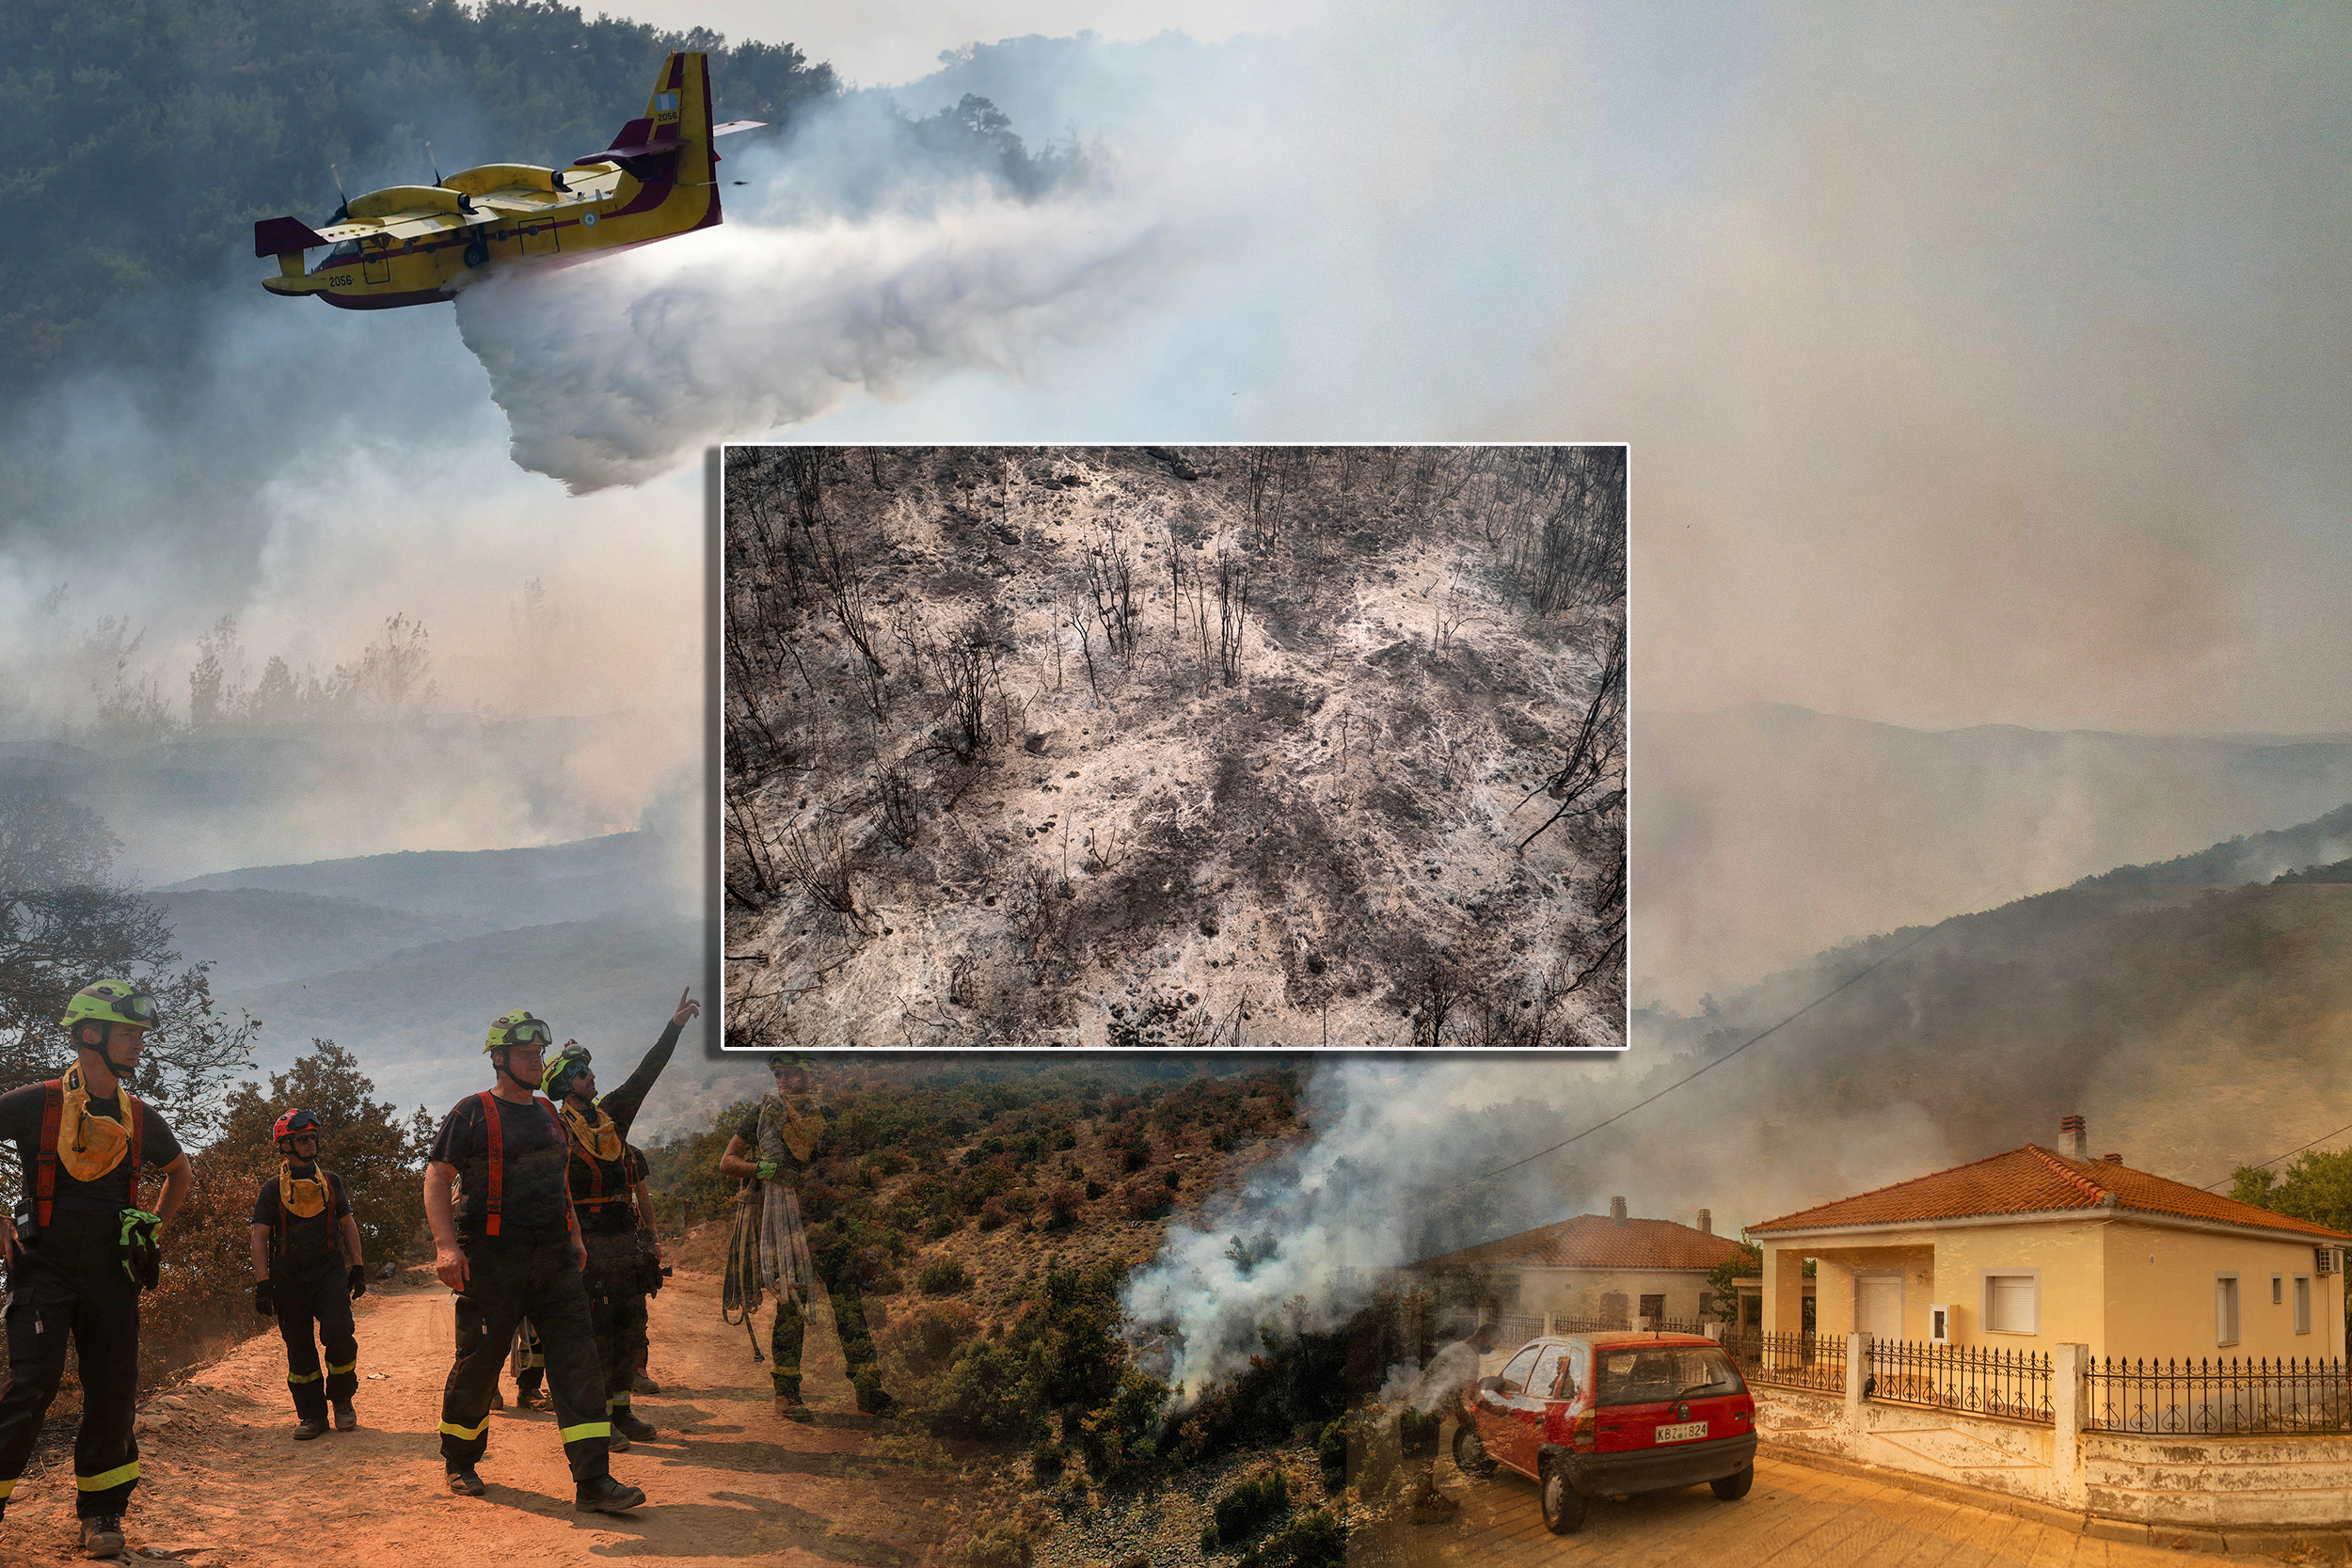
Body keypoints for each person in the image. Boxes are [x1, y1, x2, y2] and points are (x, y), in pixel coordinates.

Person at [0, 979, 193, 1559]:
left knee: (113, 1391)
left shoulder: (140, 1115)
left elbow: (180, 1174)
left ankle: (102, 1514)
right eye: (126, 1033)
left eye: (139, 1034)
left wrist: (151, 1224)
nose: (138, 1044)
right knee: (31, 1385)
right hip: (44, 1268)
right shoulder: (37, 1102)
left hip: (113, 1273)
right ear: (90, 1035)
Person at [424, 1006, 643, 1513]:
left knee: (578, 1363)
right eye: (525, 1054)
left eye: (538, 1053)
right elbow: (437, 1179)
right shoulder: (471, 1112)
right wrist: (446, 1247)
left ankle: (593, 1481)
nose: (534, 1061)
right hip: (493, 1259)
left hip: (556, 1258)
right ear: (498, 1059)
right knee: (480, 1364)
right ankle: (460, 1460)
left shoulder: (549, 1113)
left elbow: (559, 1177)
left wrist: (574, 1233)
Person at [538, 987, 697, 1449]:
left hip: (623, 1240)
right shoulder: (555, 1129)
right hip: (585, 1242)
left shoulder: (612, 1120)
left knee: (631, 1324)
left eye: (590, 1070)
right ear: (568, 1084)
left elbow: (646, 1075)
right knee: (597, 1332)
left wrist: (674, 1028)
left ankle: (623, 1410)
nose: (593, 1077)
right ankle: (599, 1416)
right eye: (583, 1073)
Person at [718, 1055, 898, 1421]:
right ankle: (786, 1393)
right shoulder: (762, 1113)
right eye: (778, 1073)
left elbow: (839, 1167)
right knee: (791, 1302)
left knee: (849, 1305)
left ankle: (868, 1390)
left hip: (828, 1221)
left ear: (807, 1074)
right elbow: (728, 1162)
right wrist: (767, 1168)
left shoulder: (825, 1115)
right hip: (785, 1219)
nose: (783, 1079)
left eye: (790, 1072)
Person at [248, 1109, 366, 1439]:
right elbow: (259, 1237)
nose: (310, 1143)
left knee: (340, 1332)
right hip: (288, 1277)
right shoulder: (272, 1190)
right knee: (298, 1346)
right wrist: (263, 1285)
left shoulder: (331, 1182)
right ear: (285, 1145)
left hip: (328, 1270)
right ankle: (312, 1416)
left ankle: (342, 1400)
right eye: (302, 1139)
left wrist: (357, 1267)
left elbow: (347, 1225)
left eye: (313, 1137)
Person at [1402, 1316, 1496, 1515]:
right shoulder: (1470, 1356)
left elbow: (1450, 1383)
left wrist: (1458, 1409)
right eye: (1495, 1343)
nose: (1495, 1348)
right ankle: (1422, 1509)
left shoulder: (1459, 1348)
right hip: (1424, 1409)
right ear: (1484, 1338)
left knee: (1424, 1458)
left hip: (1414, 1405)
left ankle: (1425, 1497)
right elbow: (1471, 1392)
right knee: (1426, 1458)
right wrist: (1495, 1409)